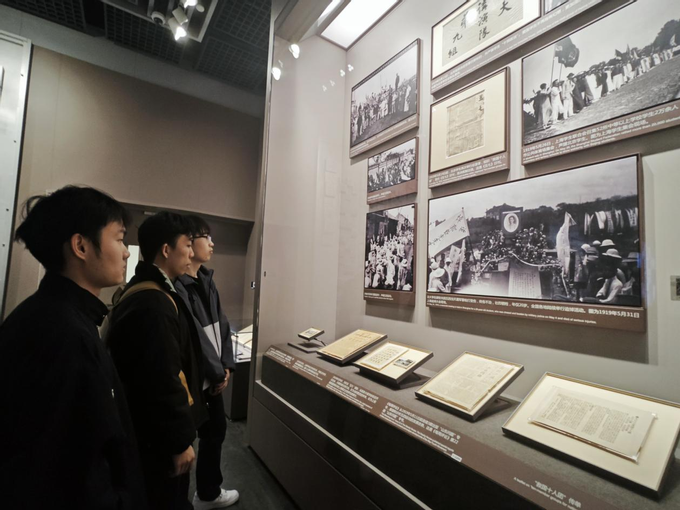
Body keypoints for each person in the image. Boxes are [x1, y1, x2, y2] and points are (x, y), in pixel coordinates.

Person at [0, 186, 147, 509]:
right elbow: (66, 469)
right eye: (119, 238)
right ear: (81, 246)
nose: (126, 252)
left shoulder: (57, 315)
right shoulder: (63, 333)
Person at [106, 212, 208, 510]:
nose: (191, 253)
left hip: (147, 430)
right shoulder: (154, 302)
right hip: (157, 438)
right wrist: (179, 441)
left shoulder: (151, 291)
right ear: (166, 249)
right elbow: (162, 377)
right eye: (187, 245)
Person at [174, 216, 239, 509]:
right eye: (206, 237)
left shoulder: (207, 280)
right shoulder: (179, 285)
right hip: (195, 379)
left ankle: (208, 492)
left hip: (213, 376)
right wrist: (217, 373)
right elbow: (195, 337)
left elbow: (222, 326)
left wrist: (226, 365)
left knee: (215, 432)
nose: (212, 243)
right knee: (185, 440)